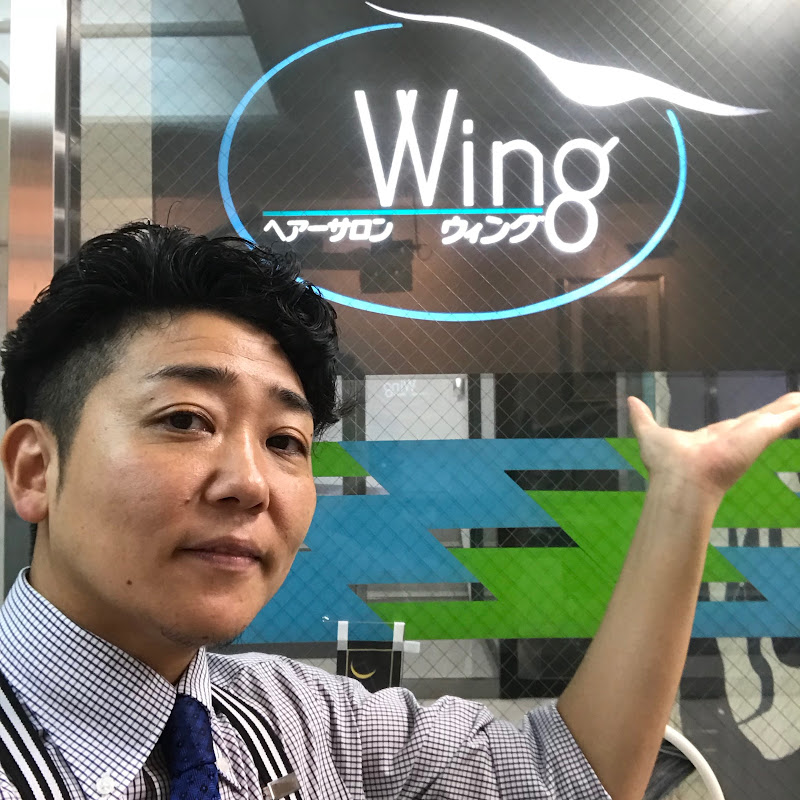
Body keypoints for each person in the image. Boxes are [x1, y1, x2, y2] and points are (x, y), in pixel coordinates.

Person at [0, 222, 797, 800]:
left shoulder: (293, 718)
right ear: (35, 468)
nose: (250, 482)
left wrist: (683, 496)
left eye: (285, 441)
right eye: (185, 420)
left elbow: (561, 777)